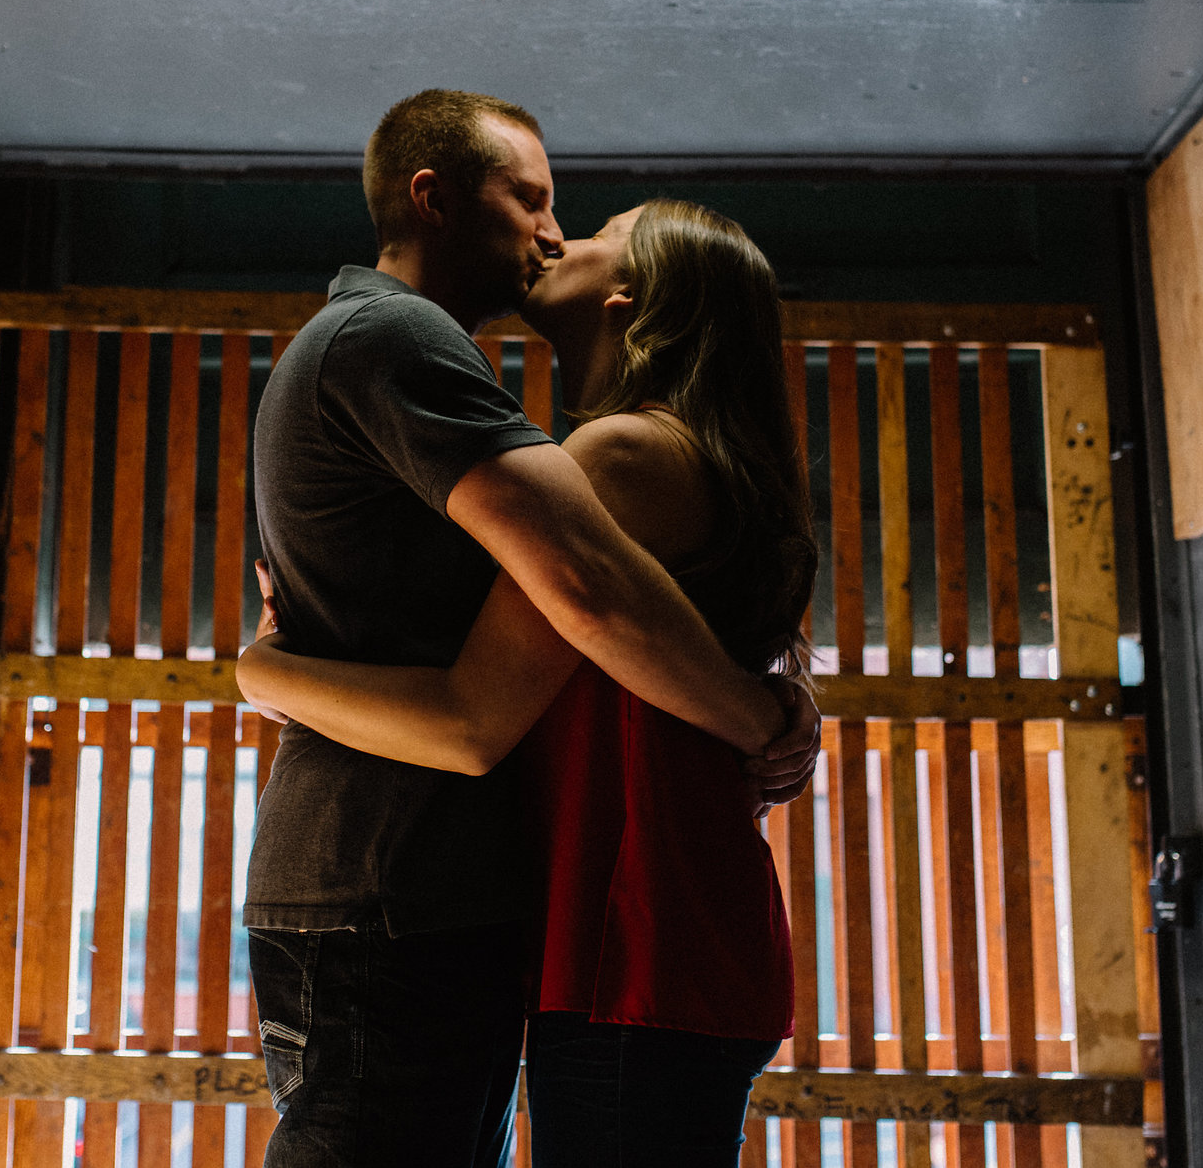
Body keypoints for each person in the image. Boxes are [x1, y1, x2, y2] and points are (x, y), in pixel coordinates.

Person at [242, 90, 819, 1167]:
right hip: (615, 919)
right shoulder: (423, 355)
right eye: (537, 201)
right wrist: (767, 711)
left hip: (625, 924)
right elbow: (551, 631)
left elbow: (559, 623)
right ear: (435, 198)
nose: (558, 233)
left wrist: (267, 664)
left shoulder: (617, 458)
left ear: (635, 296)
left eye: (587, 227)